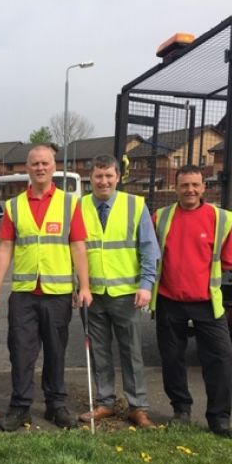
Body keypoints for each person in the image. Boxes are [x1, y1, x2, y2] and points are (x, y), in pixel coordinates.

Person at [0, 145, 92, 432]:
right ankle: (20, 407)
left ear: (53, 165)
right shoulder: (14, 206)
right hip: (24, 294)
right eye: (35, 164)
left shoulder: (70, 204)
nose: (40, 168)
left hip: (57, 295)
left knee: (56, 352)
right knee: (21, 351)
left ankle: (56, 405)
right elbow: (5, 247)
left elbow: (78, 246)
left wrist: (85, 286)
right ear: (27, 168)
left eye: (45, 163)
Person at [151, 164, 232, 438]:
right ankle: (181, 410)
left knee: (222, 358)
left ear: (204, 187)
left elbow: (227, 261)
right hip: (169, 300)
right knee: (172, 359)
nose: (189, 190)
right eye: (184, 185)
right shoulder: (160, 218)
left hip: (206, 302)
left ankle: (219, 419)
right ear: (175, 188)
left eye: (195, 185)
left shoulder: (220, 219)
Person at [78, 155, 160, 428]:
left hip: (126, 295)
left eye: (109, 176)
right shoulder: (80, 207)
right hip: (93, 296)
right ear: (91, 178)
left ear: (118, 177)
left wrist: (146, 285)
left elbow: (149, 249)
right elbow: (74, 250)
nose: (103, 181)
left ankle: (138, 406)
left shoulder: (135, 205)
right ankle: (105, 402)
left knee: (131, 352)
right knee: (99, 352)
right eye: (98, 176)